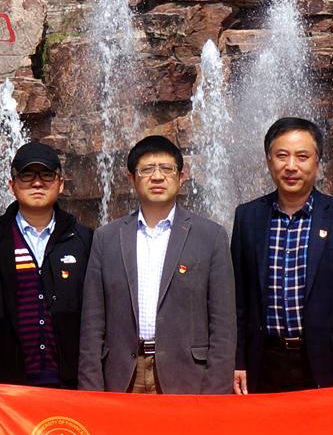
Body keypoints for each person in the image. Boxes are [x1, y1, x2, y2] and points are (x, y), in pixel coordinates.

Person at [231, 117, 333, 394]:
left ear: (317, 162)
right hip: (264, 361)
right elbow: (239, 301)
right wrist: (238, 361)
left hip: (327, 364)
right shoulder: (248, 217)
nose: (291, 166)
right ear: (269, 161)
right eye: (282, 156)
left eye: (302, 157)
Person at [79, 135, 236, 394]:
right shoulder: (106, 238)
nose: (157, 177)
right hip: (121, 378)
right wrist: (91, 391)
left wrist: (215, 393)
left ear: (181, 176)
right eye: (147, 169)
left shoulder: (210, 236)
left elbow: (223, 325)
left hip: (187, 377)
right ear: (132, 179)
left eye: (166, 168)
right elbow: (92, 325)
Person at [0, 142, 92, 388]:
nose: (37, 183)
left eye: (47, 175)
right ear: (12, 185)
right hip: (9, 386)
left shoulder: (83, 240)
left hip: (71, 385)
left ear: (61, 184)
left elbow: (97, 316)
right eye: (27, 175)